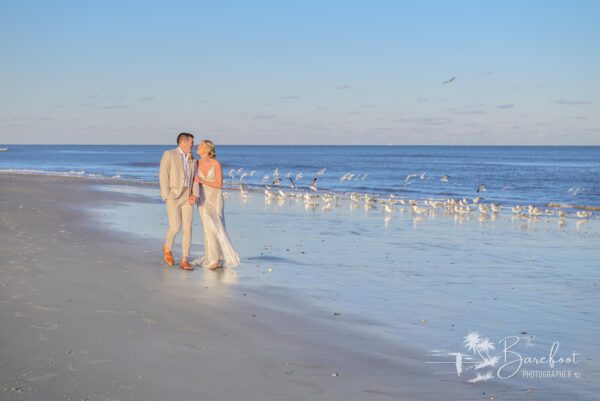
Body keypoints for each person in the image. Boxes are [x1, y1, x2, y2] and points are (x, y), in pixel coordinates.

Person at [192, 140, 240, 269]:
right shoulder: (195, 163)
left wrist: (202, 180)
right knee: (207, 228)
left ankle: (221, 257)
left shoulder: (216, 164)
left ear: (207, 149)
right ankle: (213, 259)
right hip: (203, 199)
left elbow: (219, 184)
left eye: (201, 145)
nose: (198, 147)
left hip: (216, 199)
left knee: (218, 226)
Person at [159, 132, 199, 270]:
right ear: (183, 142)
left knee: (188, 228)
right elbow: (164, 175)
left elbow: (195, 178)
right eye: (191, 142)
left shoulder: (193, 159)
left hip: (187, 197)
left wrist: (195, 194)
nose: (193, 145)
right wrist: (166, 195)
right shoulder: (169, 154)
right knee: (175, 226)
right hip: (173, 196)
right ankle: (167, 247)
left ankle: (184, 259)